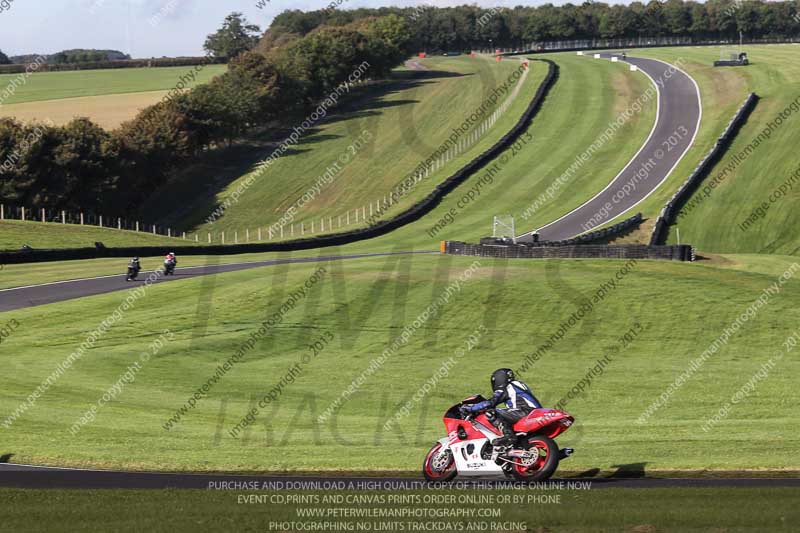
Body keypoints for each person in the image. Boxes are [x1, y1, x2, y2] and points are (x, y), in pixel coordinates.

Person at [460, 368, 542, 446]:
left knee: (491, 412)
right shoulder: (518, 385)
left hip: (525, 411)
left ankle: (508, 436)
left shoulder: (507, 387)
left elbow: (489, 403)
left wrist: (470, 408)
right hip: (534, 412)